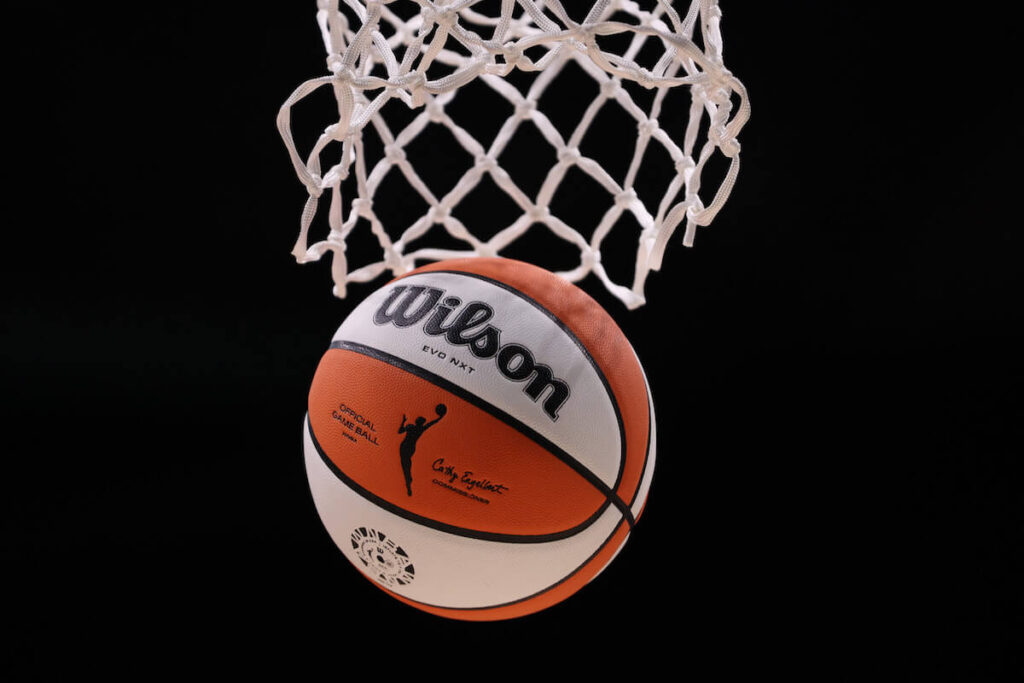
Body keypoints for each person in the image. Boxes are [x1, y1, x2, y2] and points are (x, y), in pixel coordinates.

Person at [396, 406, 446, 495]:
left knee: (405, 463)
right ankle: (408, 479)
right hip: (410, 447)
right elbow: (432, 423)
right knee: (407, 462)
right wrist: (440, 417)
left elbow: (400, 431)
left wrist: (403, 422)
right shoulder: (420, 429)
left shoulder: (411, 426)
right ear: (422, 423)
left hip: (405, 446)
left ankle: (408, 480)